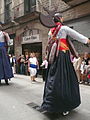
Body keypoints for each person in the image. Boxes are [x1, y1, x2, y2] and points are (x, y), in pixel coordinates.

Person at [39, 10, 90, 115]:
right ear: (60, 19)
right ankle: (64, 105)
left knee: (53, 80)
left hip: (54, 58)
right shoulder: (64, 28)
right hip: (63, 56)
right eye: (62, 18)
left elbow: (49, 44)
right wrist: (87, 40)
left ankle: (50, 104)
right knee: (65, 80)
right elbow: (78, 36)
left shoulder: (51, 31)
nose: (63, 19)